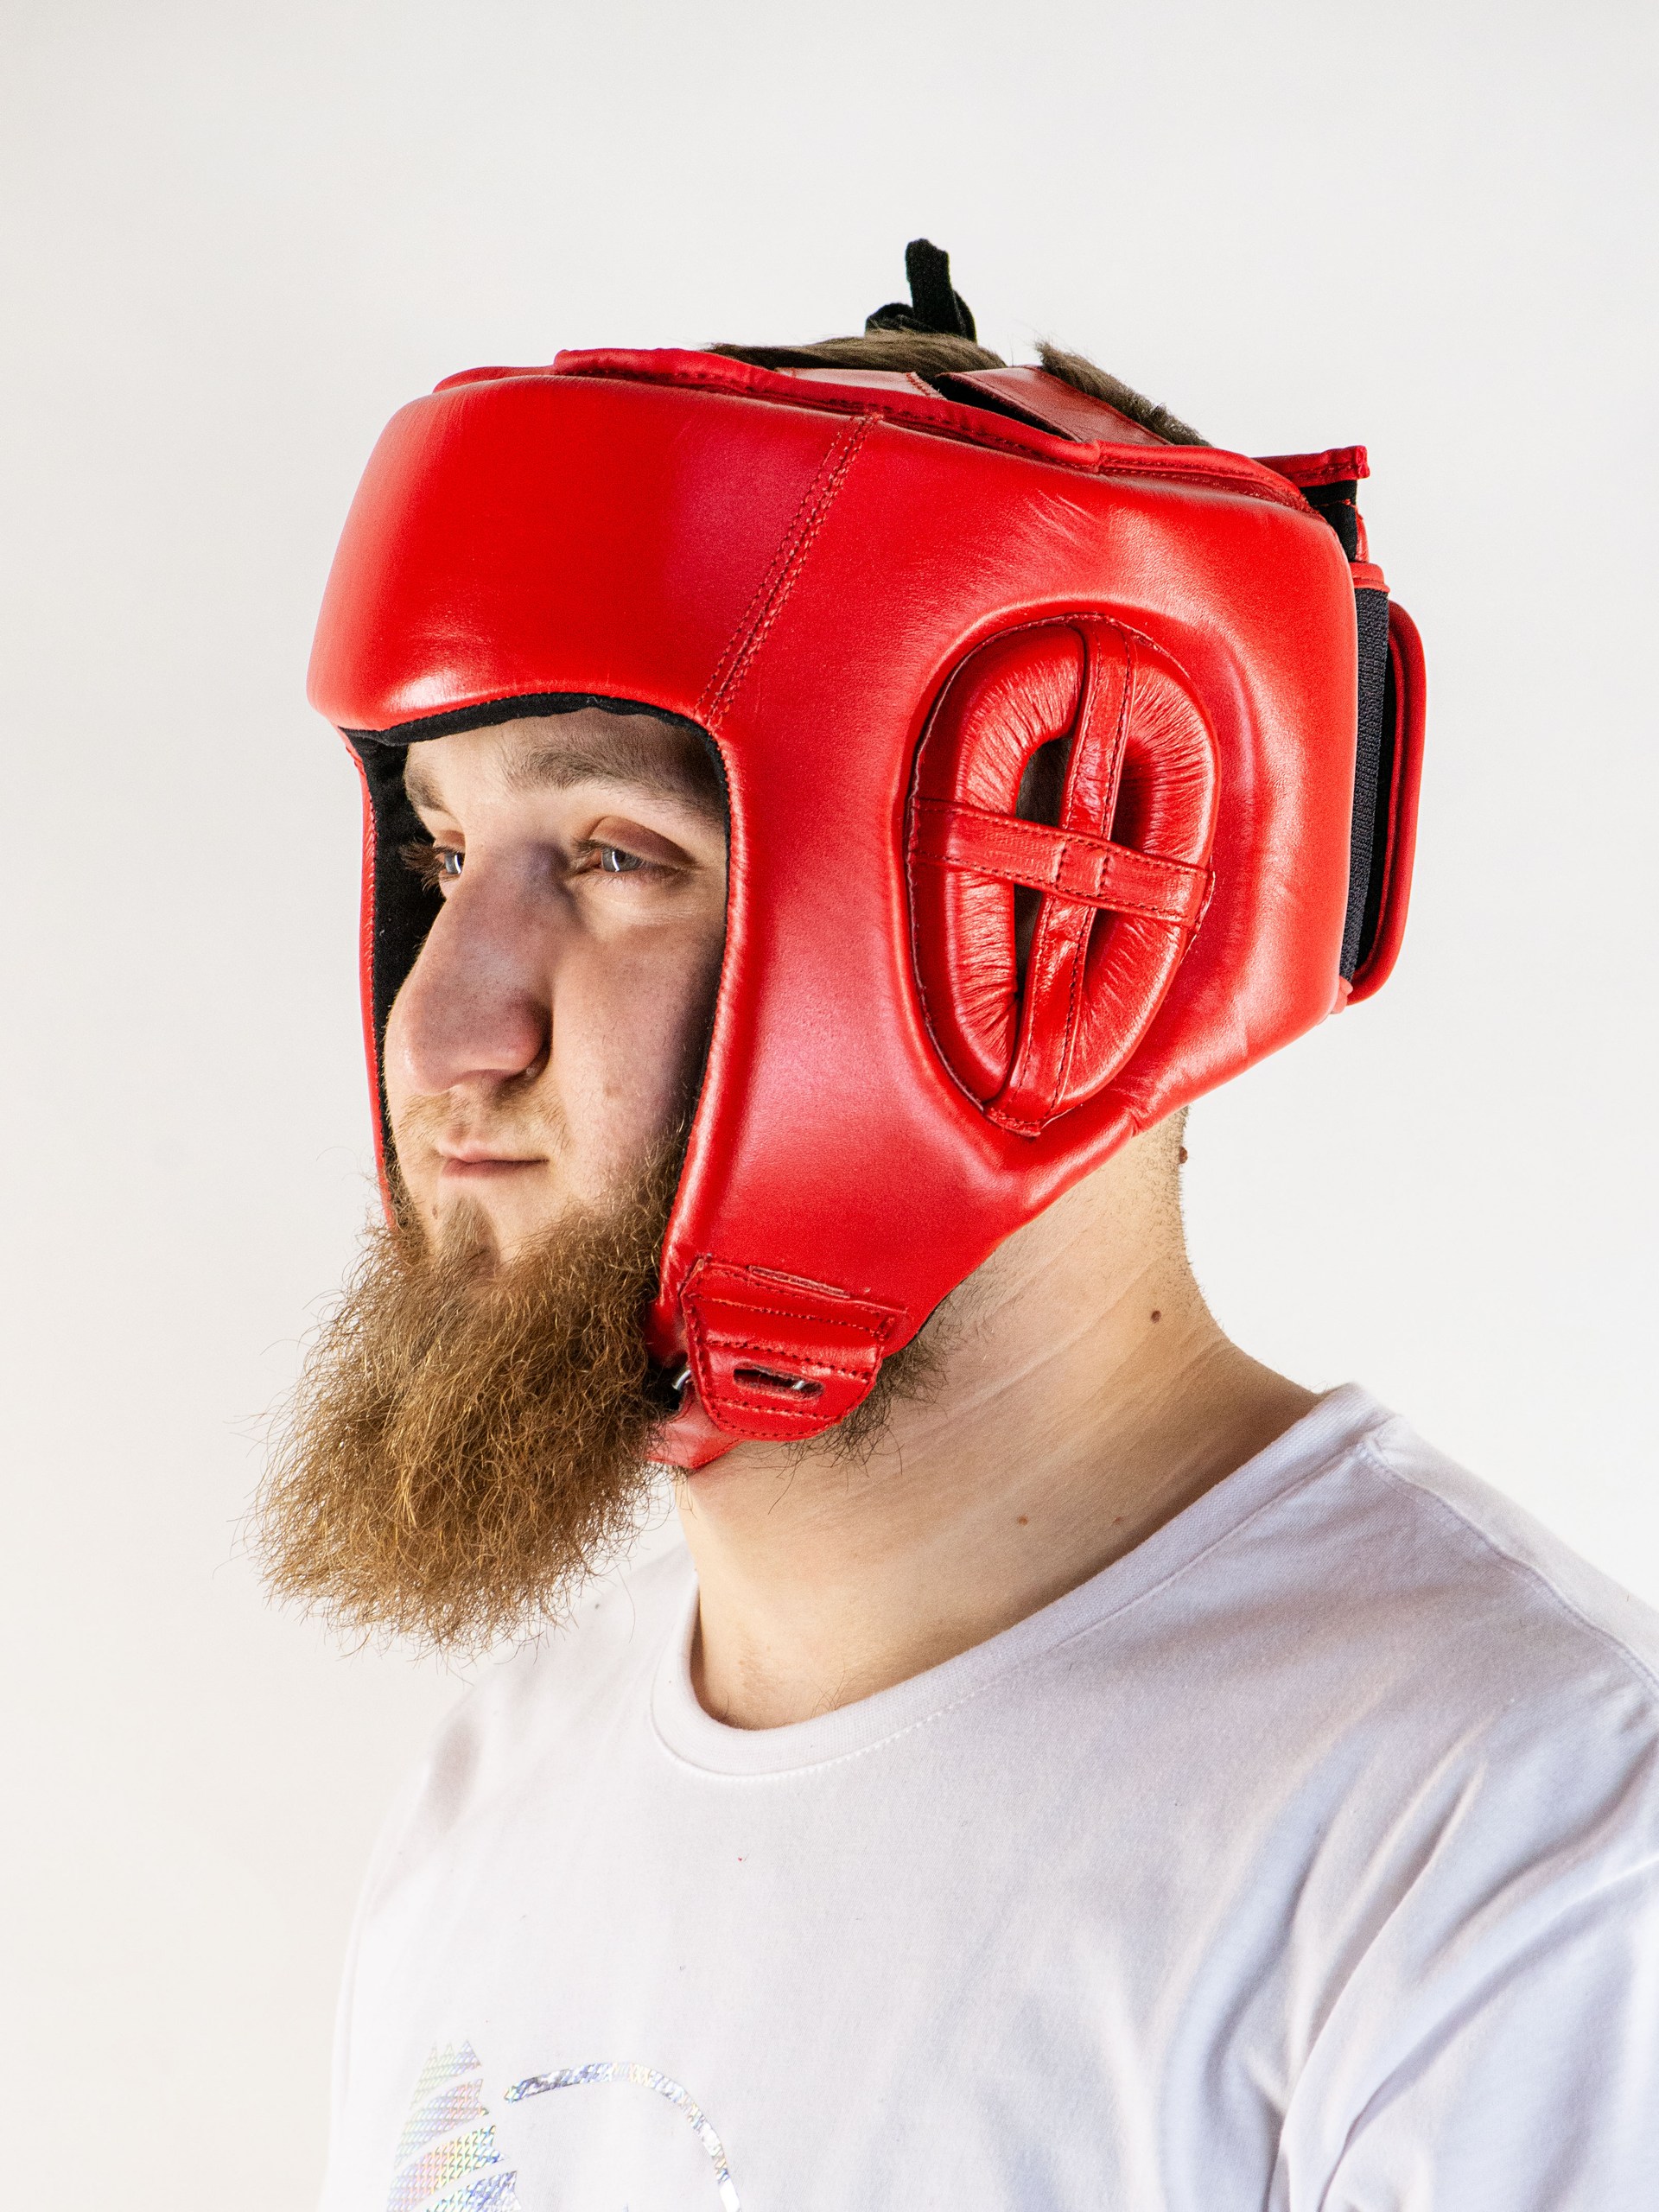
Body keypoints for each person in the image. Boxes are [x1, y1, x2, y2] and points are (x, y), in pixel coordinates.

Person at [264, 247, 1659, 2210]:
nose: (442, 1034)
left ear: (1053, 937)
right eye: (442, 851)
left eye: (616, 855)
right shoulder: (502, 1791)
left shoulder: (1517, 1855)